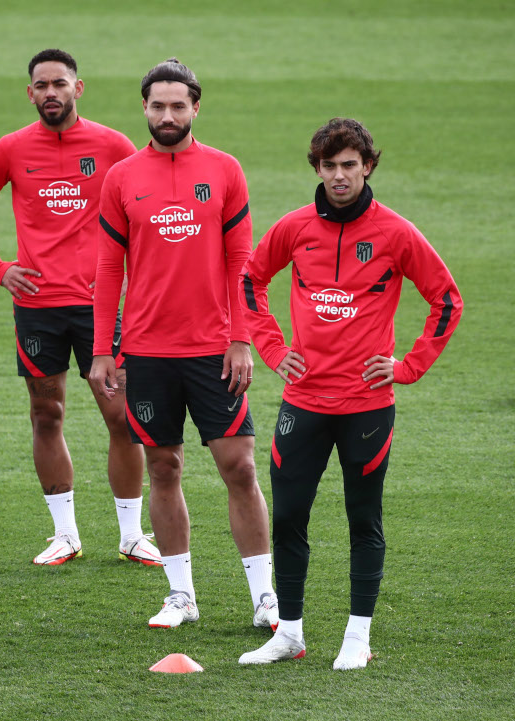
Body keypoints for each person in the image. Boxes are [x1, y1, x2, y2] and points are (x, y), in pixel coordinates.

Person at [237, 118, 462, 668]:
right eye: (329, 166)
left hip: (367, 408)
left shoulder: (397, 233)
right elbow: (249, 280)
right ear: (317, 168)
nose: (339, 176)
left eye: (349, 166)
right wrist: (271, 349)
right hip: (303, 403)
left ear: (367, 167)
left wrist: (407, 367)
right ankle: (288, 633)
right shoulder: (294, 228)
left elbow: (446, 300)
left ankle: (357, 639)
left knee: (364, 521)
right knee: (289, 517)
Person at [90, 58, 278, 629]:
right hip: (147, 351)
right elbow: (106, 268)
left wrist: (240, 338)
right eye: (156, 105)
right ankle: (180, 596)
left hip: (213, 349)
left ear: (196, 107)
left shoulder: (224, 170)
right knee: (163, 466)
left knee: (239, 468)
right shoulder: (121, 177)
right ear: (144, 109)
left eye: (177, 105)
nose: (166, 115)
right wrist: (103, 350)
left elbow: (239, 263)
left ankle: (264, 597)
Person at [0, 49, 160, 567]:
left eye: (60, 84)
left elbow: (150, 200)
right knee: (47, 413)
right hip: (38, 308)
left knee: (121, 417)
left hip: (102, 306)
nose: (51, 93)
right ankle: (65, 534)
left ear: (78, 88)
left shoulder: (113, 144)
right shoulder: (12, 149)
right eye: (41, 85)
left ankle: (131, 535)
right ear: (30, 93)